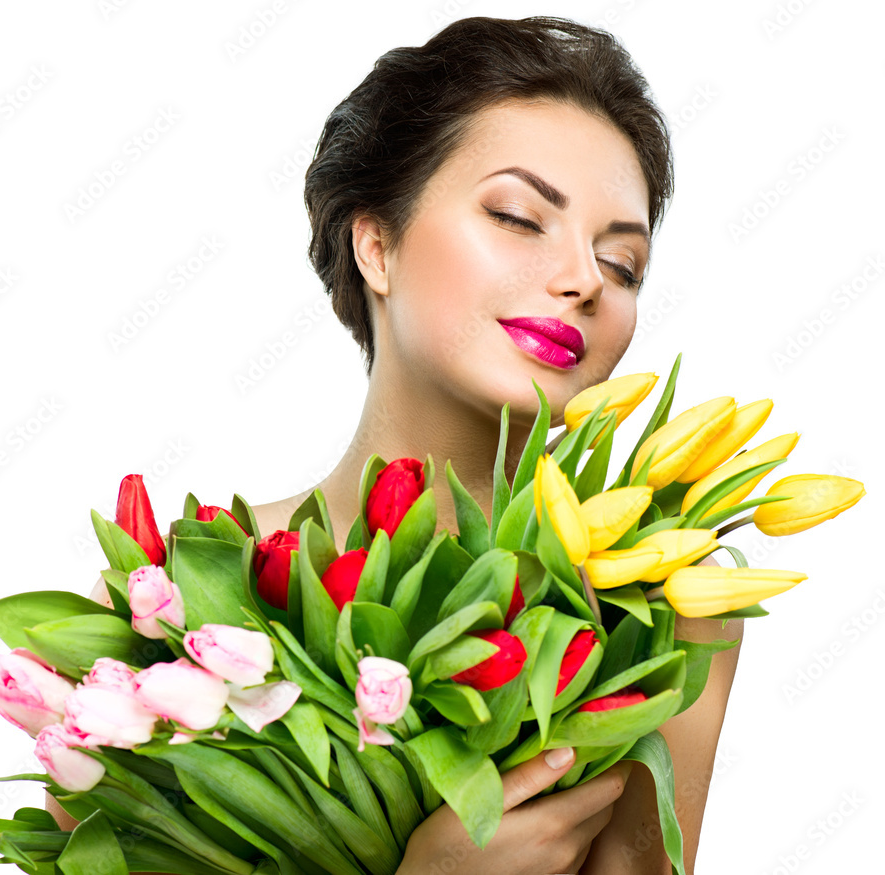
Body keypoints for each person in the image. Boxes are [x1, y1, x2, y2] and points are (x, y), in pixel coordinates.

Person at [51, 15, 743, 873]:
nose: (583, 281)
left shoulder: (665, 598)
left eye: (624, 263)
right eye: (520, 217)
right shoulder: (168, 592)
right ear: (376, 244)